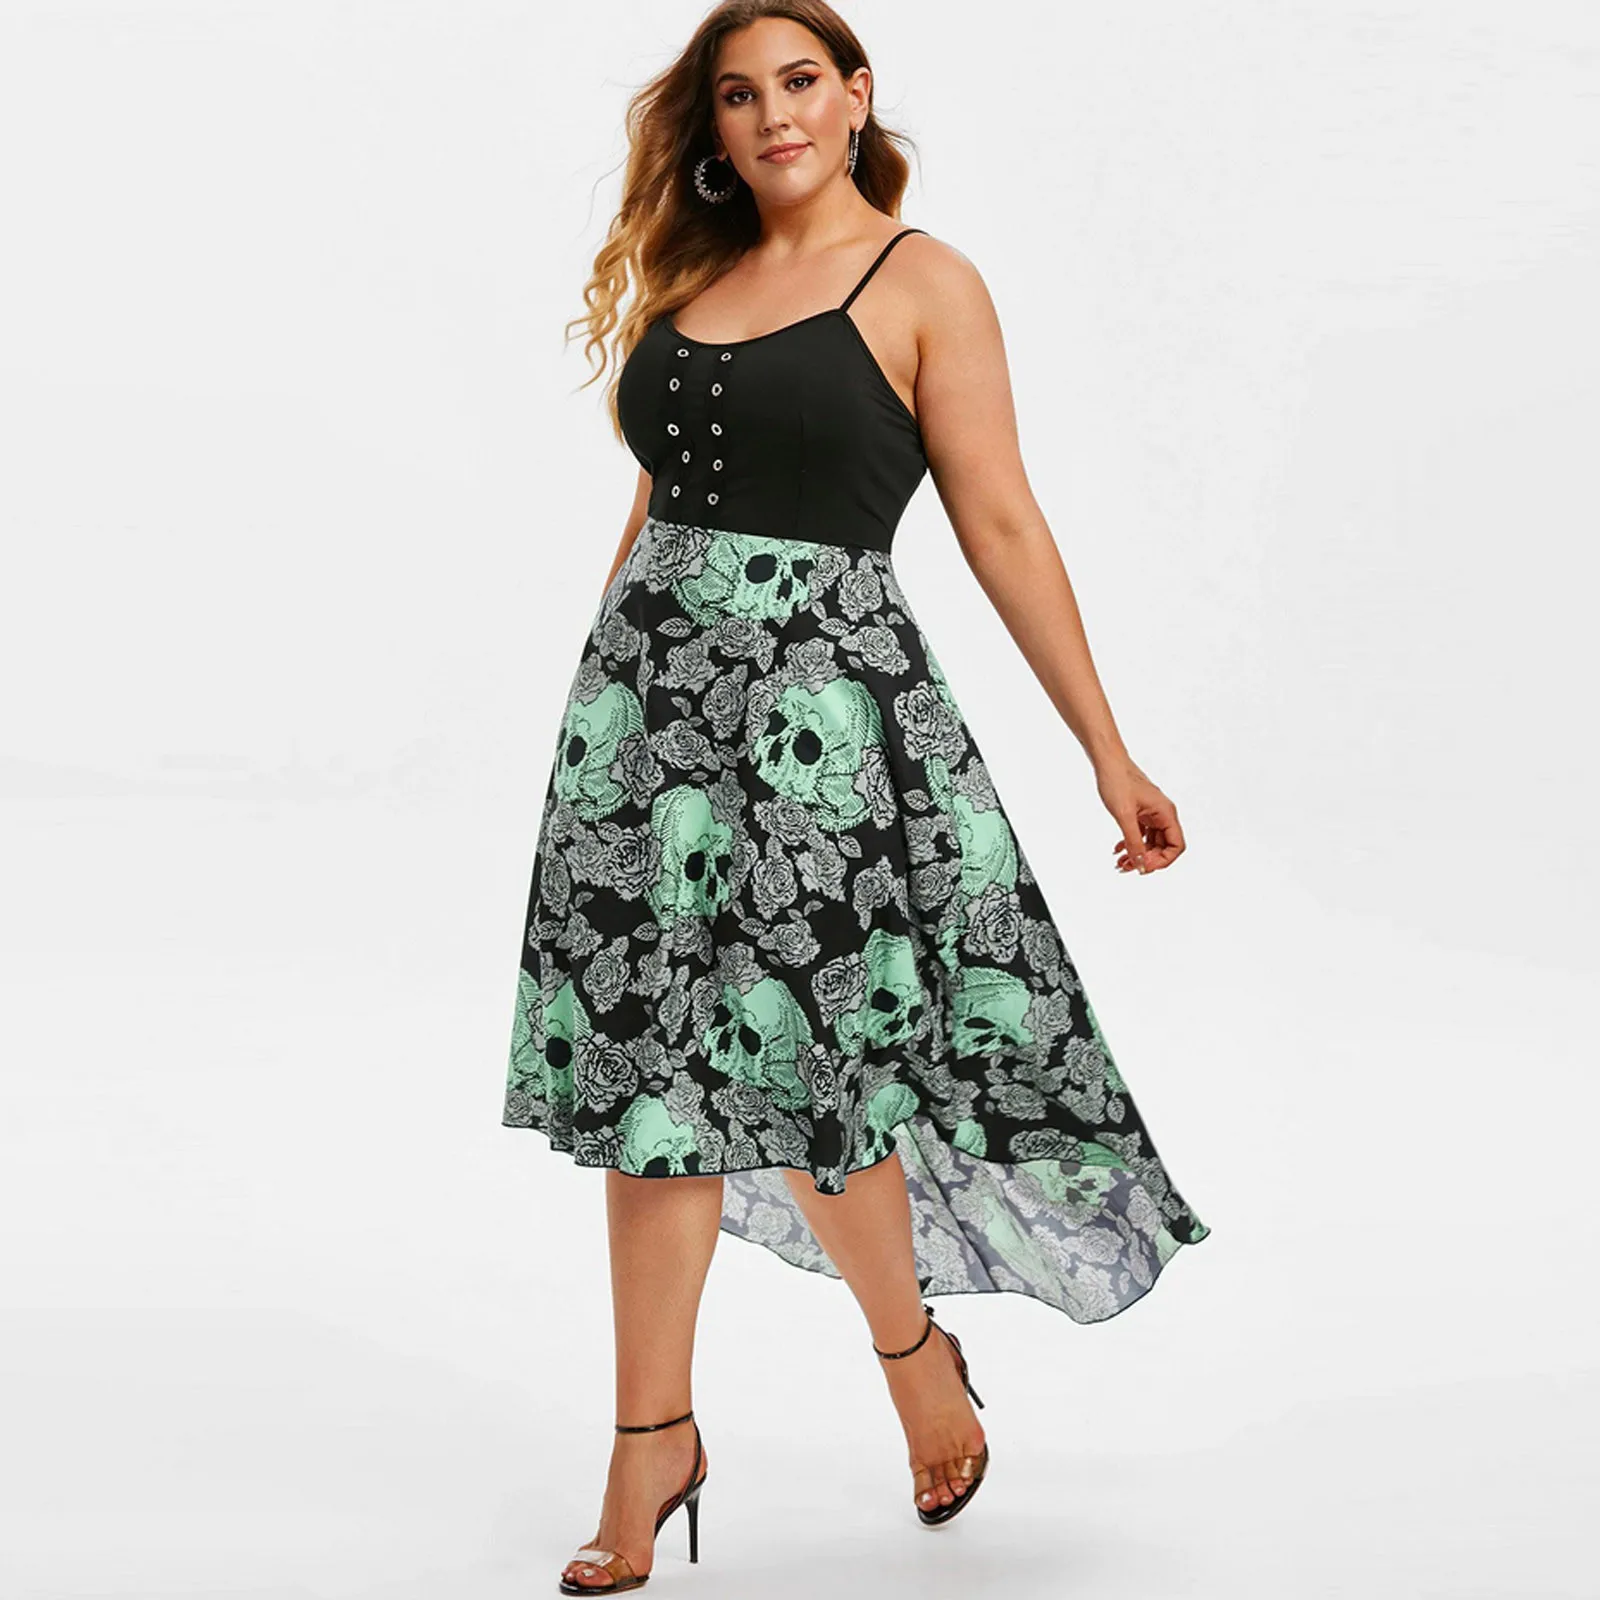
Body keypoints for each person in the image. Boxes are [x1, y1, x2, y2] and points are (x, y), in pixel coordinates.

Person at [503, 2, 1212, 1590]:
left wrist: (1106, 749)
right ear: (713, 123)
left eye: (800, 82)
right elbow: (654, 507)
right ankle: (649, 1445)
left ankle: (913, 1361)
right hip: (644, 732)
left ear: (854, 94)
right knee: (653, 1090)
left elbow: (1001, 522)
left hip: (821, 729)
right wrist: (602, 720)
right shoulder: (690, 277)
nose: (772, 114)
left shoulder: (925, 282)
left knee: (822, 1081)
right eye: (738, 93)